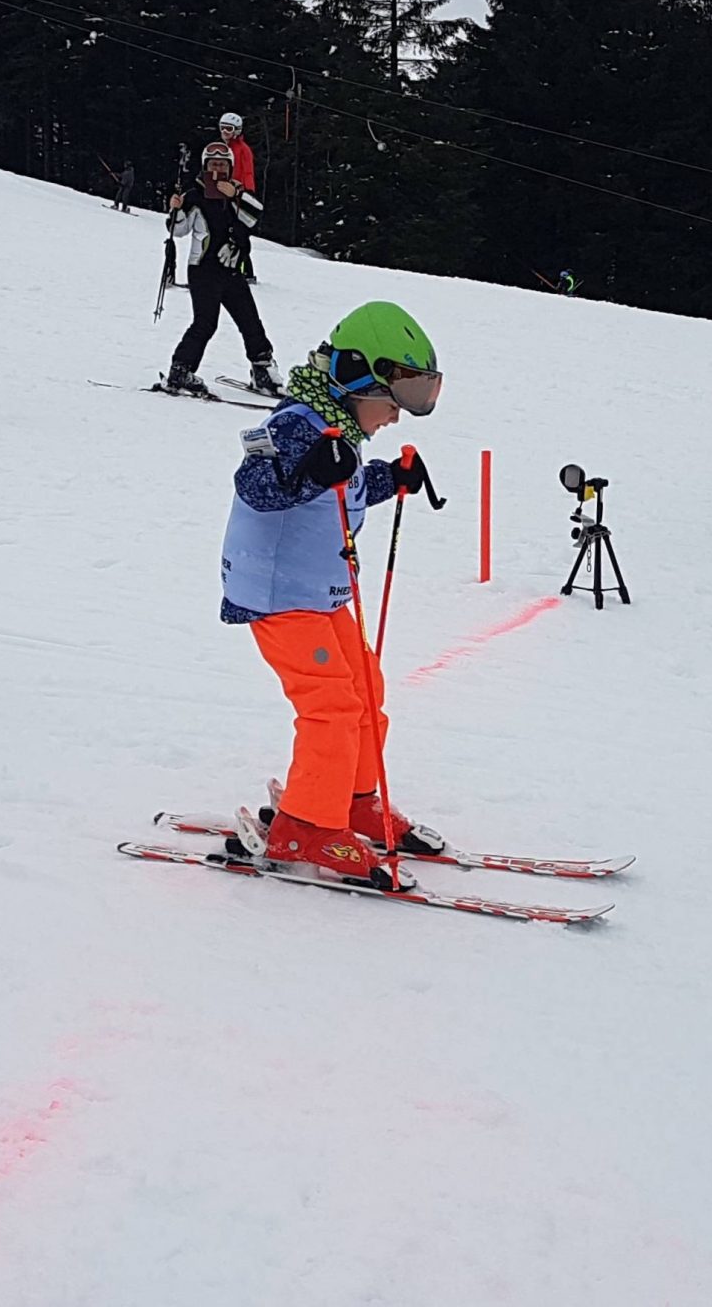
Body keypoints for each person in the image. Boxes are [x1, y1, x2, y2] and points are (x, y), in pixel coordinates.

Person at [219, 302, 446, 889]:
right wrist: (317, 471)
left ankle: (353, 798)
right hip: (278, 595)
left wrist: (387, 480)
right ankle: (307, 827)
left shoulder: (340, 428)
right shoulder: (294, 422)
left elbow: (338, 487)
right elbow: (256, 486)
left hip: (320, 593)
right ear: (354, 380)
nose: (394, 419)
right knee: (331, 706)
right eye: (391, 405)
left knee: (365, 689)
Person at [161, 140, 276, 397]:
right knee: (205, 322)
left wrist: (237, 195)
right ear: (205, 166)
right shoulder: (195, 195)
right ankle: (180, 370)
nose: (217, 170)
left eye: (223, 165)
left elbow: (253, 218)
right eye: (213, 164)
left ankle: (263, 369)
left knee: (250, 320)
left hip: (232, 268)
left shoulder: (236, 194)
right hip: (203, 269)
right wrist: (176, 209)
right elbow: (178, 230)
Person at [218, 111, 256, 193]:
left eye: (229, 129)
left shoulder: (243, 149)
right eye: (222, 127)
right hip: (222, 188)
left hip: (236, 188)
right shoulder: (220, 147)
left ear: (237, 130)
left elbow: (248, 171)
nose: (224, 131)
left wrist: (248, 190)